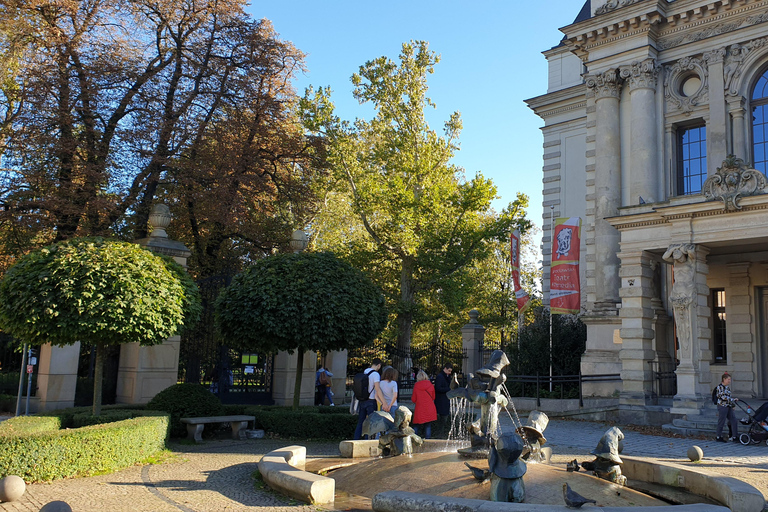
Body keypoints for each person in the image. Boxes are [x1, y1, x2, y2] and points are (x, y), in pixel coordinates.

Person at [353, 358, 384, 440]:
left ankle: (356, 439)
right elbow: (377, 389)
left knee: (361, 422)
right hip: (371, 400)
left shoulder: (366, 371)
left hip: (363, 399)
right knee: (370, 422)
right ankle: (367, 439)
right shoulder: (376, 375)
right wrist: (383, 402)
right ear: (379, 365)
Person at [411, 369, 437, 439]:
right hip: (429, 408)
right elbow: (433, 397)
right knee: (428, 425)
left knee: (416, 425)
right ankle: (427, 441)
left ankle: (414, 440)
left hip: (420, 409)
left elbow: (413, 399)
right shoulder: (431, 385)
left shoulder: (416, 385)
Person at [715, 372, 739, 442]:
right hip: (722, 406)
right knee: (721, 421)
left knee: (734, 420)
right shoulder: (719, 387)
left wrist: (732, 405)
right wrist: (732, 400)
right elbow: (722, 397)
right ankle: (718, 436)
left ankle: (734, 436)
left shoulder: (727, 388)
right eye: (728, 379)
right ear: (724, 379)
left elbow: (729, 396)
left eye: (730, 379)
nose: (729, 381)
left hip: (728, 406)